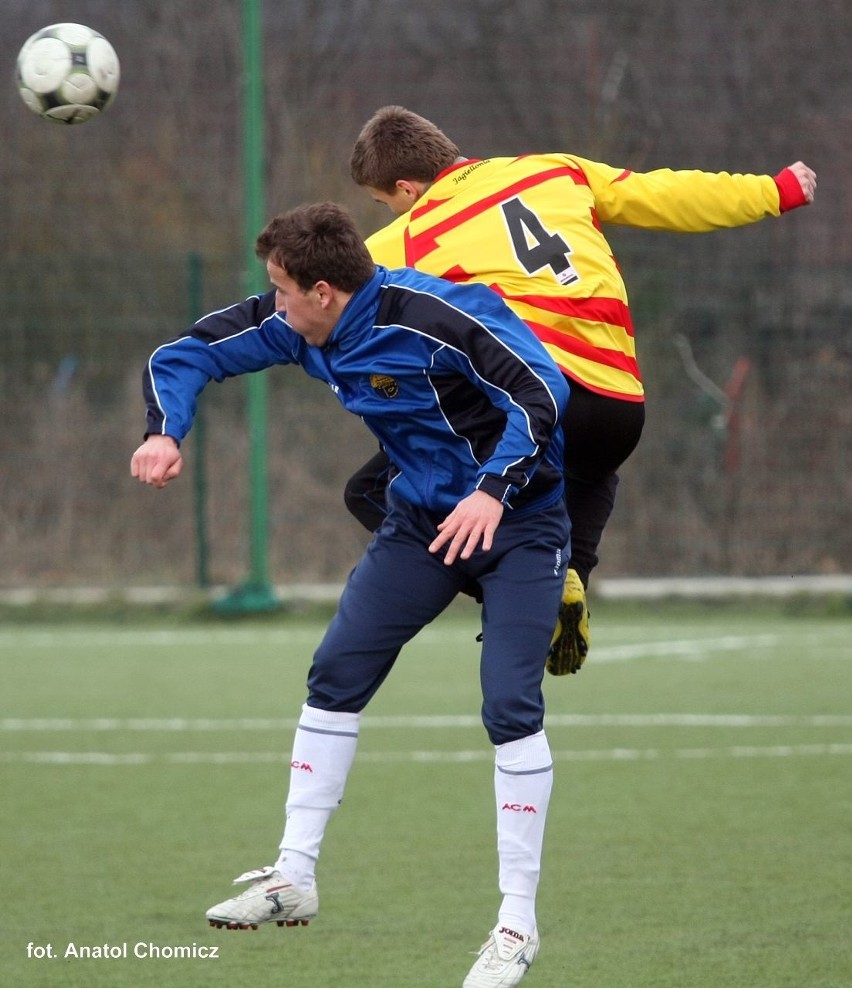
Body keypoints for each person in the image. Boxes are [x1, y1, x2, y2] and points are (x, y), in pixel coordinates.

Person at [131, 201, 571, 987]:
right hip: (423, 525)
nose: (274, 302)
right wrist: (165, 430)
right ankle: (294, 873)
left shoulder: (437, 316)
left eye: (283, 289)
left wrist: (495, 491)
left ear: (325, 291)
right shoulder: (301, 324)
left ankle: (515, 926)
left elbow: (542, 388)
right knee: (334, 675)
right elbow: (190, 350)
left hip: (519, 524)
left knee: (510, 706)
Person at [347, 105, 818, 677]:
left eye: (384, 203)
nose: (388, 214)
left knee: (371, 490)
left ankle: (525, 589)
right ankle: (570, 576)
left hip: (529, 405)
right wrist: (775, 190)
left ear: (405, 187)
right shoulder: (554, 171)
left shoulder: (401, 240)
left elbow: (322, 310)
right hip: (618, 409)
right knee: (589, 469)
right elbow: (665, 195)